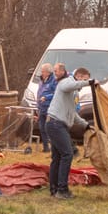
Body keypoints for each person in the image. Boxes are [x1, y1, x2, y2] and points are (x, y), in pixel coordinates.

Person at [46, 66, 92, 199]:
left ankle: (54, 189)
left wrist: (86, 125)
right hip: (56, 124)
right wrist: (90, 82)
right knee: (67, 154)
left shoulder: (74, 93)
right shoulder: (66, 82)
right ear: (79, 77)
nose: (83, 85)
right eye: (84, 80)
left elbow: (73, 113)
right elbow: (68, 86)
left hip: (57, 124)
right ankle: (62, 190)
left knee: (57, 157)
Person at [36, 63, 57, 153]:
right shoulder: (41, 81)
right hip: (41, 108)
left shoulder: (54, 81)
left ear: (48, 72)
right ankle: (45, 147)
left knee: (49, 128)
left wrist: (46, 97)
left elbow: (56, 94)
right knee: (41, 128)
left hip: (49, 108)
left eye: (43, 71)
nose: (42, 73)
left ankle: (54, 147)